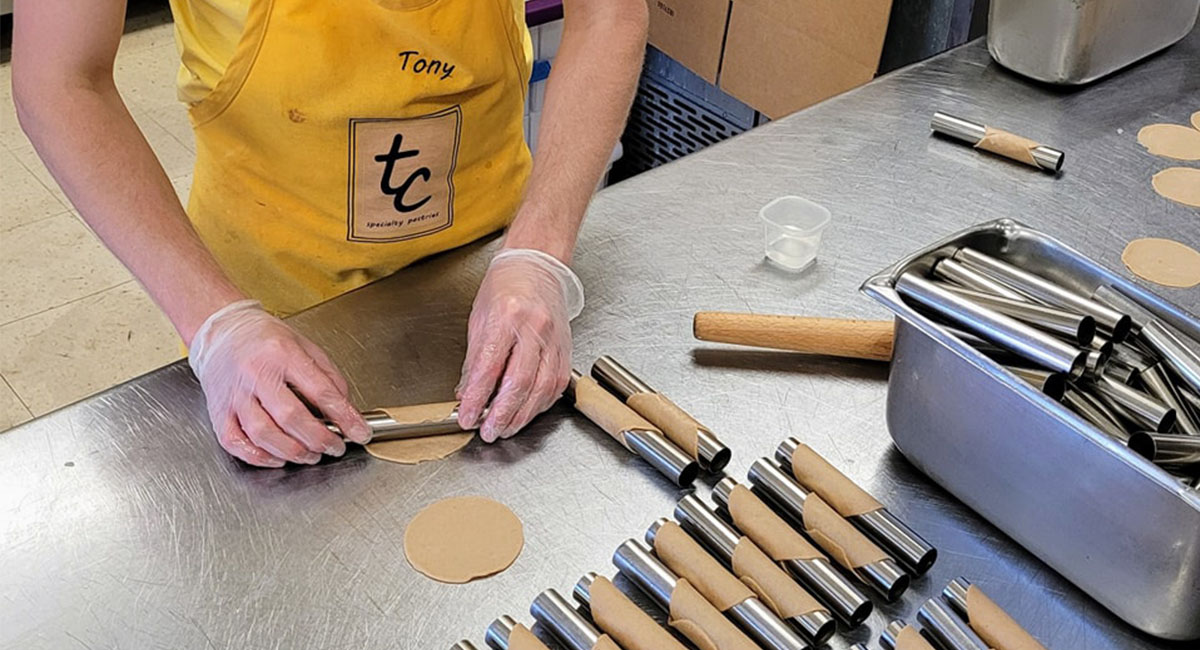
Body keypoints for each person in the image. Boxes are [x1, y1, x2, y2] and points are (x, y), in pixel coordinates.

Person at [12, 0, 647, 467]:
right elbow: (63, 78)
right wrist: (215, 322)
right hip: (272, 289)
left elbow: (608, 13)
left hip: (488, 261)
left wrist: (539, 253)